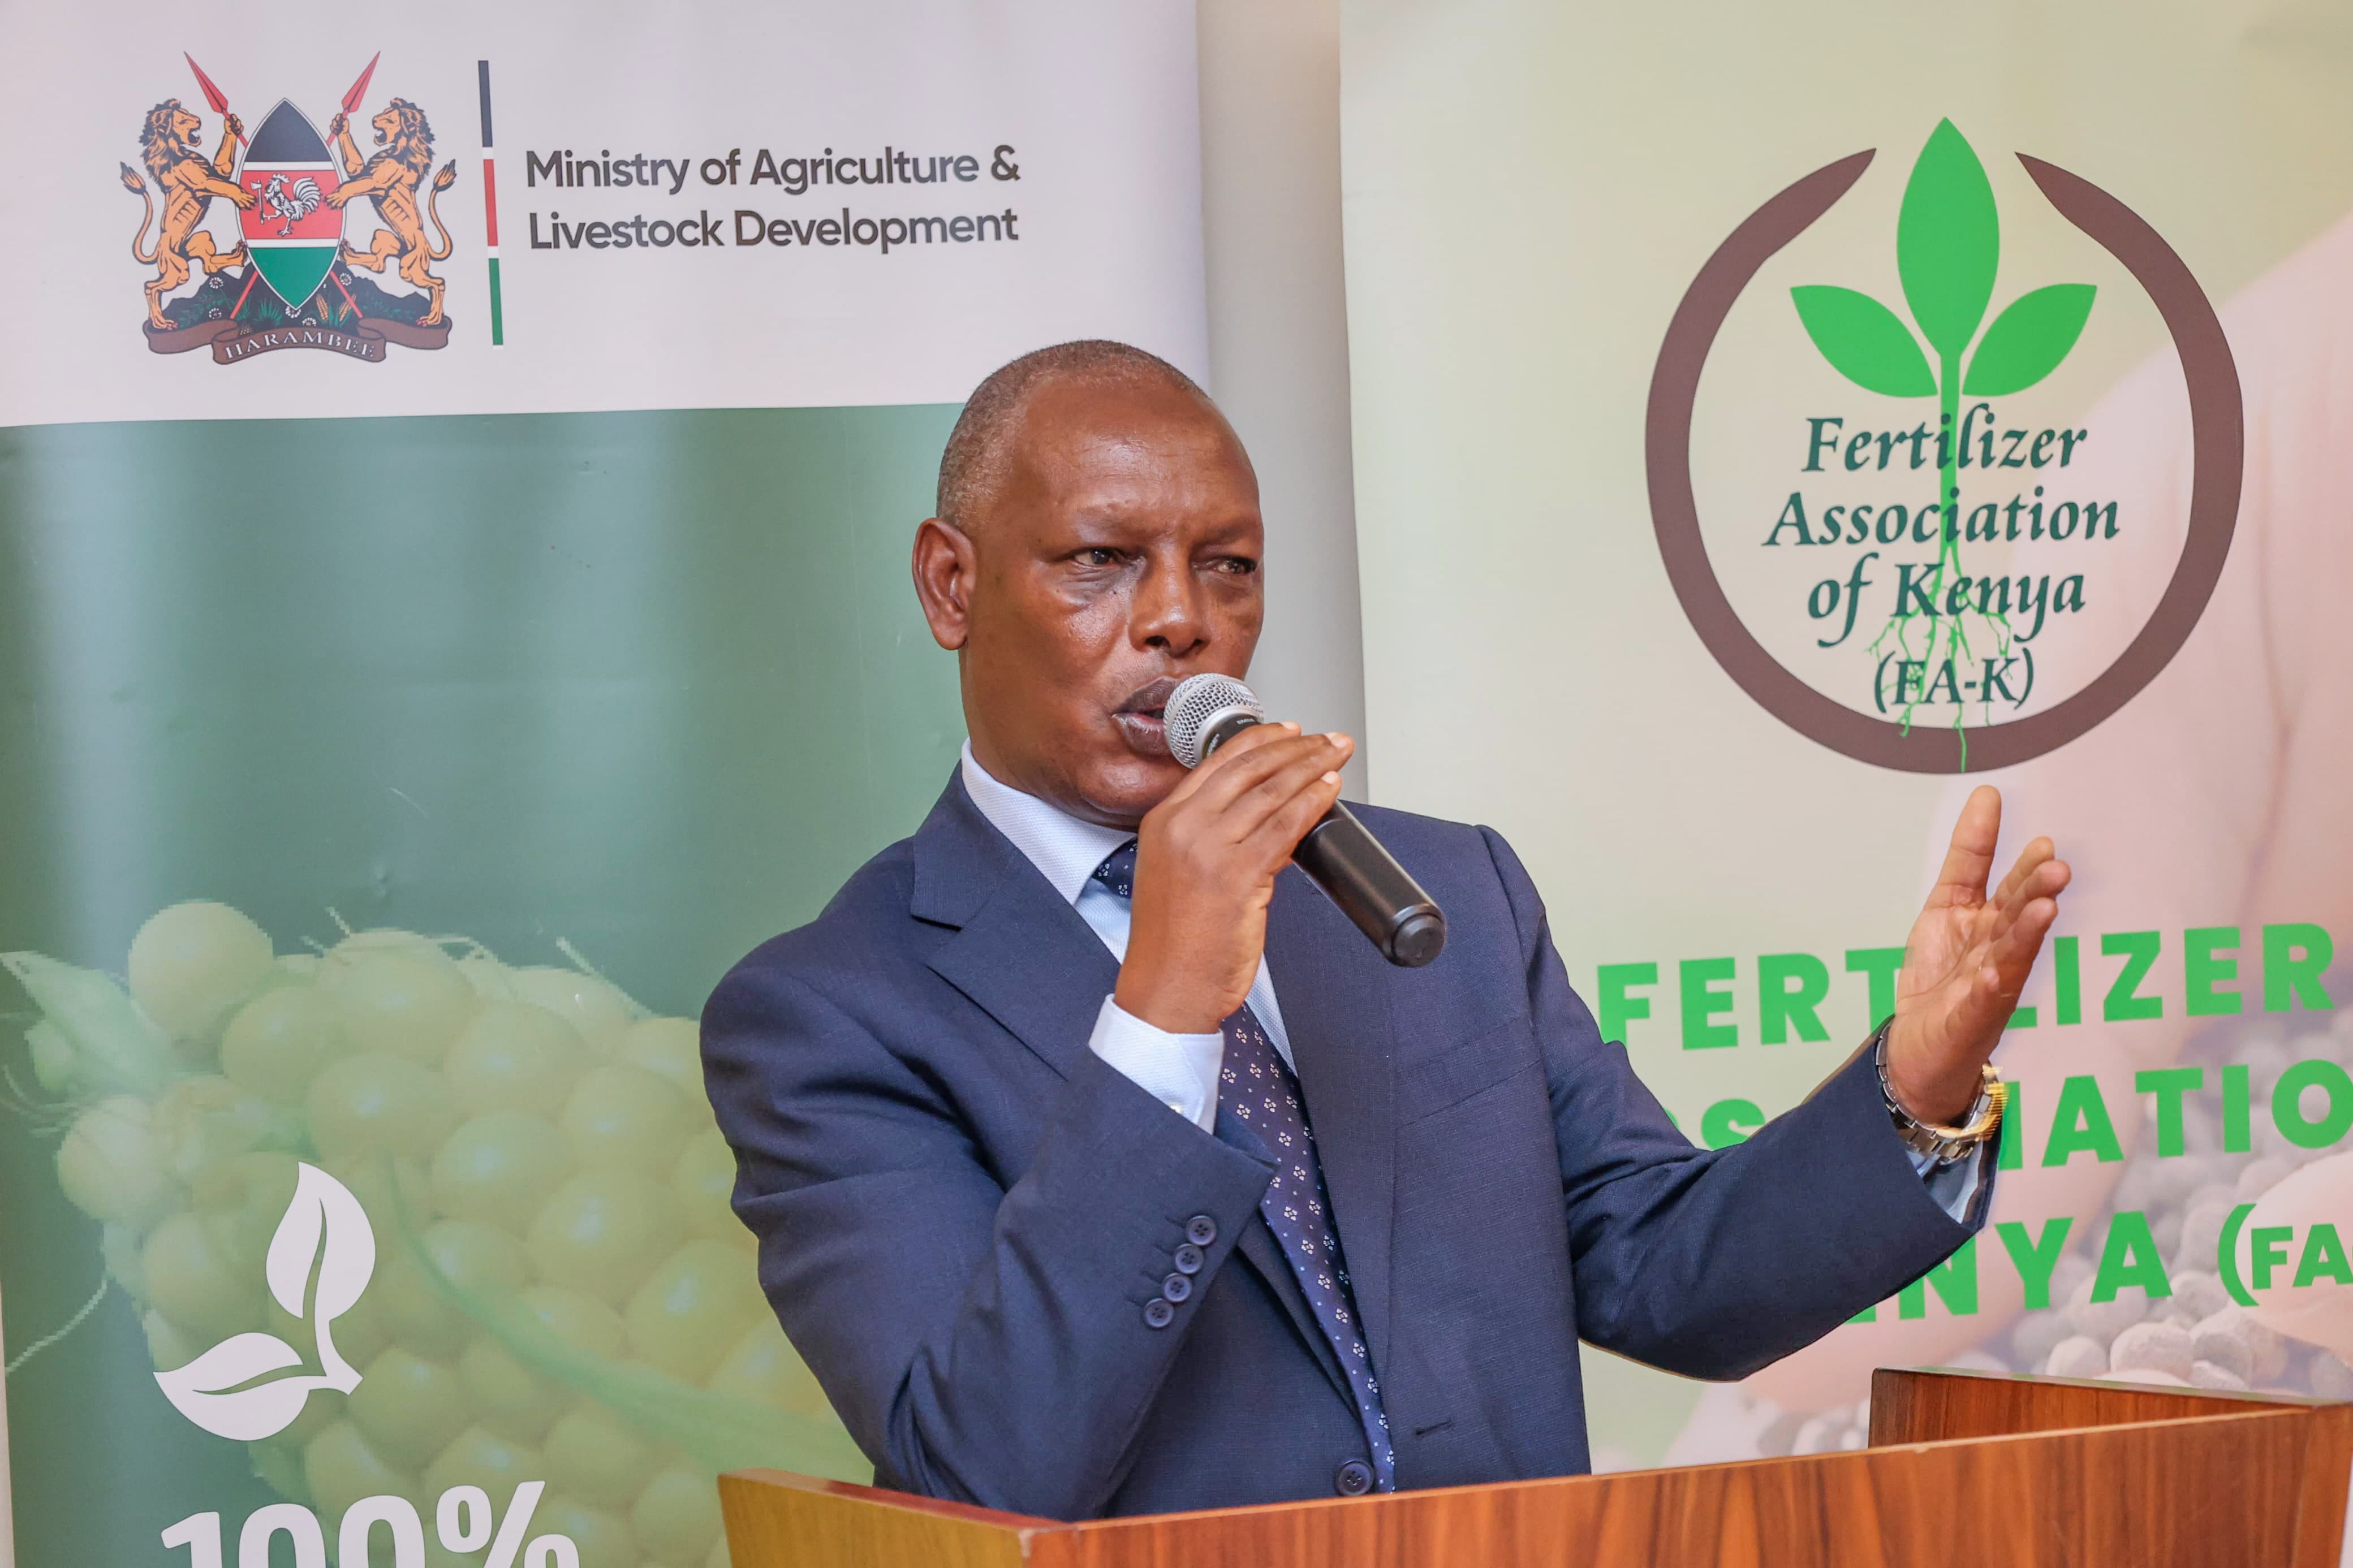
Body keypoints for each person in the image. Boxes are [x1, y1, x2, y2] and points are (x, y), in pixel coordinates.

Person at [700, 340, 2071, 1519]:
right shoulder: (828, 1017)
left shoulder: (1440, 891)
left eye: (1226, 567)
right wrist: (1163, 1013)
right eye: (1101, 562)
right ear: (952, 585)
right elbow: (985, 1469)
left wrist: (1916, 1089)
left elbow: (1672, 1278)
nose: (1179, 620)